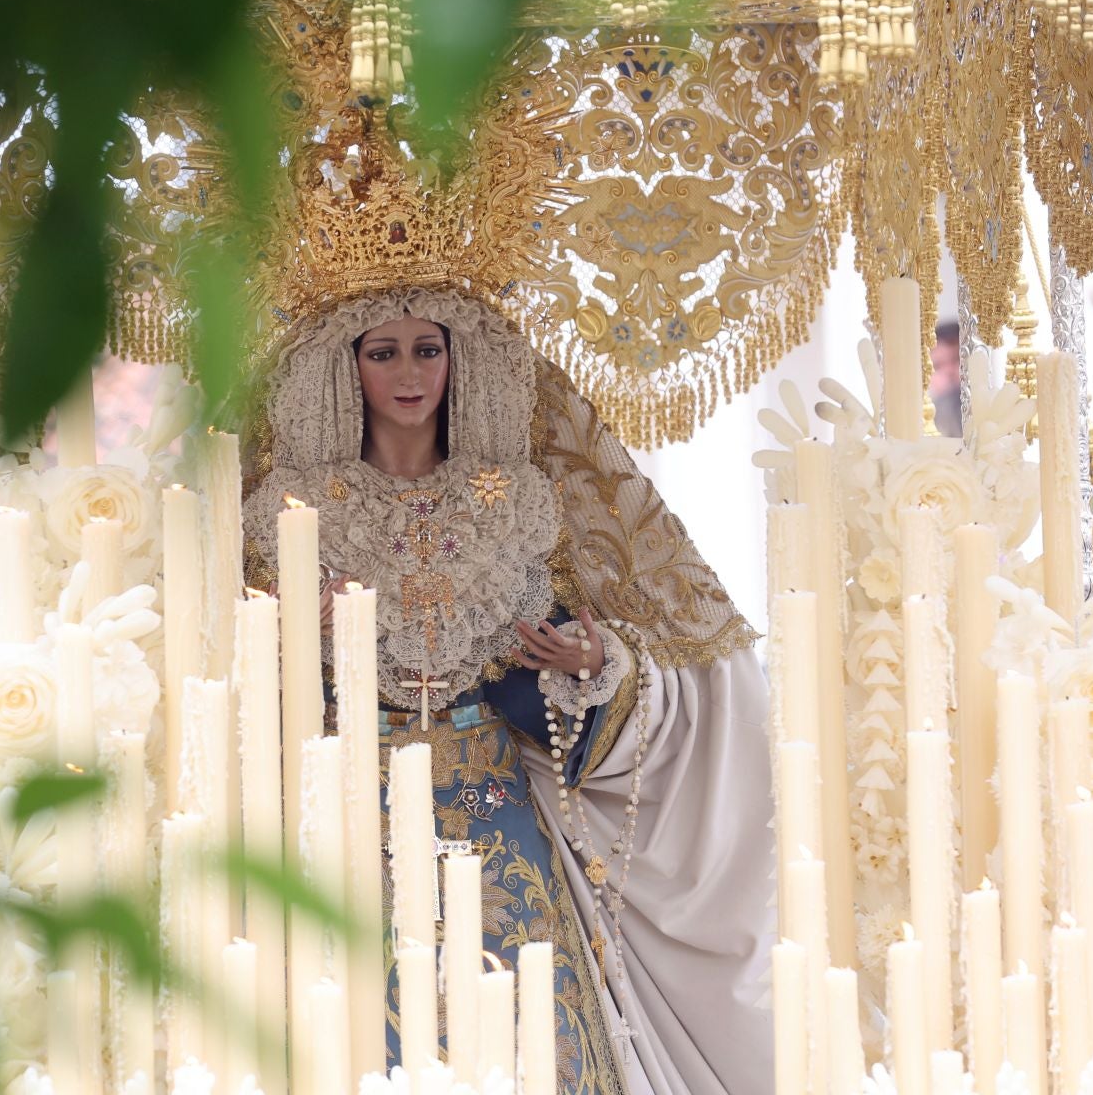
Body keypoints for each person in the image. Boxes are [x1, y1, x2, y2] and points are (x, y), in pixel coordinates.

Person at [244, 287, 775, 1095]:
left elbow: (592, 662)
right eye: (381, 352)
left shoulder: (520, 501)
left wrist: (593, 666)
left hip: (493, 804)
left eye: (429, 347)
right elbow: (220, 681)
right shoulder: (288, 511)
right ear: (344, 367)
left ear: (462, 359)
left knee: (530, 1022)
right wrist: (286, 637)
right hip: (343, 807)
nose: (410, 373)